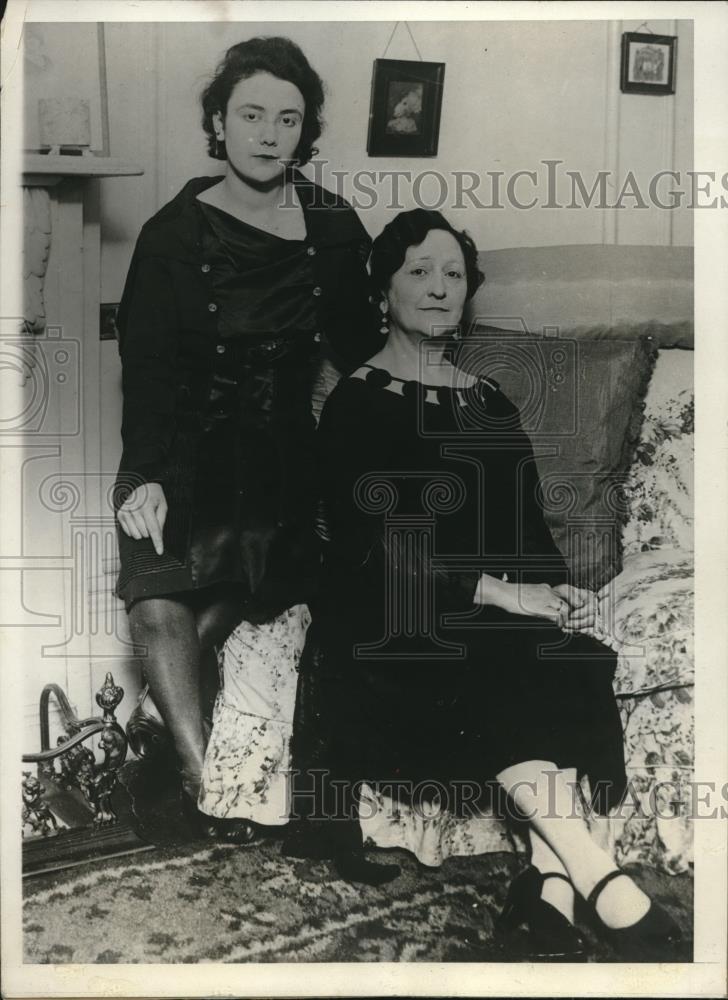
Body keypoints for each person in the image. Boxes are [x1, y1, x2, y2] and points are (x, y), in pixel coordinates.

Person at [289, 208, 682, 961]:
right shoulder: (356, 403)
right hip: (389, 616)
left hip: (484, 606)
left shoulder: (489, 402)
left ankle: (550, 895)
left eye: (454, 275)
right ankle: (602, 878)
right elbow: (373, 547)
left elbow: (525, 534)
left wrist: (547, 595)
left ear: (469, 292)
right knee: (499, 658)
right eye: (418, 272)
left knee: (563, 656)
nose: (438, 289)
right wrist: (503, 594)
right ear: (383, 291)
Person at [113, 36, 377, 841]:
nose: (269, 133)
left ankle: (156, 737)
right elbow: (147, 366)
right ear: (218, 123)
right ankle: (205, 782)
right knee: (156, 601)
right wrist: (146, 476)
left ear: (306, 132)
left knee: (244, 593)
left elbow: (365, 350)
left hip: (279, 462)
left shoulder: (333, 228)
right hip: (178, 452)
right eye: (251, 114)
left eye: (288, 119)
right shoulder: (172, 233)